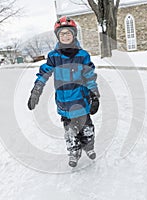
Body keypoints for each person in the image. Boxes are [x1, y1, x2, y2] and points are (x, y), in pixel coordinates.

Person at [27, 16, 100, 167]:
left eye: (68, 33)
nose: (65, 36)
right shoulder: (54, 57)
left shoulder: (82, 55)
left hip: (81, 100)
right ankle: (74, 151)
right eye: (62, 34)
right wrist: (36, 90)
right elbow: (44, 73)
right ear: (58, 37)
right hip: (64, 103)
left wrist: (94, 94)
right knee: (70, 132)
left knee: (87, 129)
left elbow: (89, 75)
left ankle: (88, 146)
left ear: (74, 34)